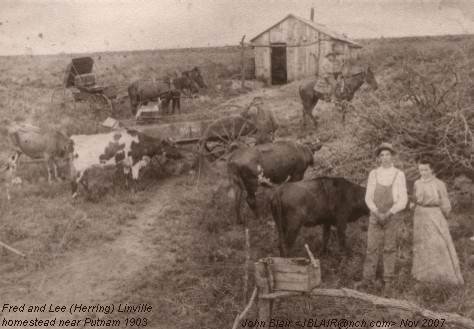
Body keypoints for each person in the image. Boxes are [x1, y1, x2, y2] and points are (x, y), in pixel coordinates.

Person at [358, 143, 408, 295]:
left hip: (391, 217)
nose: (385, 158)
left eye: (387, 154)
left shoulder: (398, 174)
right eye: (382, 155)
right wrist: (376, 211)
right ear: (378, 158)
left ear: (392, 156)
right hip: (375, 215)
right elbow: (368, 197)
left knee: (389, 248)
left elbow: (403, 199)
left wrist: (390, 212)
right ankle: (368, 280)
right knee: (371, 248)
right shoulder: (374, 174)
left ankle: (388, 281)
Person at [411, 157, 464, 285]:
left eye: (426, 170)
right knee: (422, 245)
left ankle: (443, 277)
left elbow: (445, 203)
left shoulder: (439, 184)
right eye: (421, 170)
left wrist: (444, 215)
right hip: (420, 216)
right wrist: (413, 205)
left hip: (435, 214)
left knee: (438, 244)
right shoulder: (417, 183)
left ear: (432, 170)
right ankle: (424, 276)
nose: (423, 172)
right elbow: (415, 198)